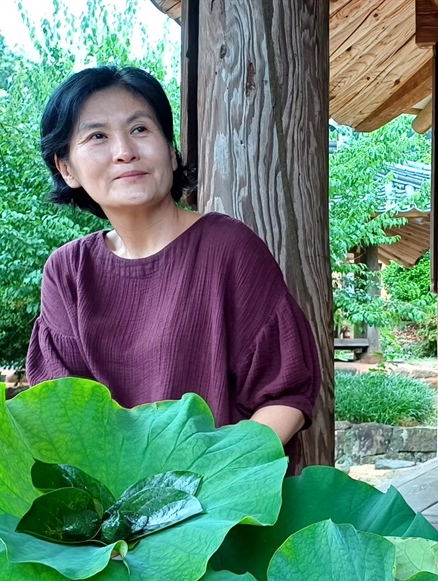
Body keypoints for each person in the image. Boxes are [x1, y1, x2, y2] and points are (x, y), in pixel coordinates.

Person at [26, 66, 320, 463]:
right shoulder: (68, 273)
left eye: (141, 129)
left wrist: (211, 476)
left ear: (171, 148)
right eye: (97, 136)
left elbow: (285, 395)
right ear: (66, 169)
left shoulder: (229, 248)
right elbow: (62, 415)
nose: (124, 151)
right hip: (116, 510)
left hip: (226, 502)